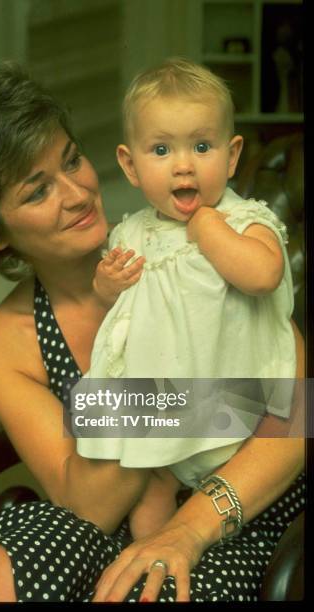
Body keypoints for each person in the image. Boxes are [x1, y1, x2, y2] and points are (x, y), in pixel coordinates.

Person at [0, 61, 304, 603]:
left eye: (71, 160)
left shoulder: (189, 253)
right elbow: (86, 505)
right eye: (37, 191)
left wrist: (184, 523)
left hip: (231, 506)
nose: (77, 194)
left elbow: (293, 414)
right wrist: (200, 397)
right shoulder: (3, 342)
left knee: (159, 589)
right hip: (107, 518)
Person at [76, 57, 298, 541]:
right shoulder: (132, 230)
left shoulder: (243, 220)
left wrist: (207, 229)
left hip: (235, 406)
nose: (183, 164)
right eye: (160, 149)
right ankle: (150, 561)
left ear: (232, 155)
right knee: (150, 492)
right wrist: (107, 284)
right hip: (160, 408)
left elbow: (263, 276)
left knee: (225, 510)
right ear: (130, 166)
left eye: (202, 146)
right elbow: (109, 302)